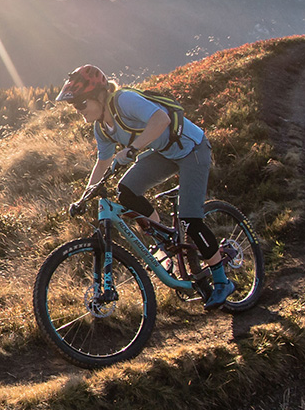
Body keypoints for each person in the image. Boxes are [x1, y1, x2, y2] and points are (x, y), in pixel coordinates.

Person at [56, 64, 234, 309]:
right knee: (125, 191)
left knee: (190, 219)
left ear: (98, 95)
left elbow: (160, 119)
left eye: (80, 104)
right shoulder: (101, 128)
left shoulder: (124, 101)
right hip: (164, 152)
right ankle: (163, 242)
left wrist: (133, 149)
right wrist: (85, 197)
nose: (78, 111)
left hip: (191, 148)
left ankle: (222, 281)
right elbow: (103, 162)